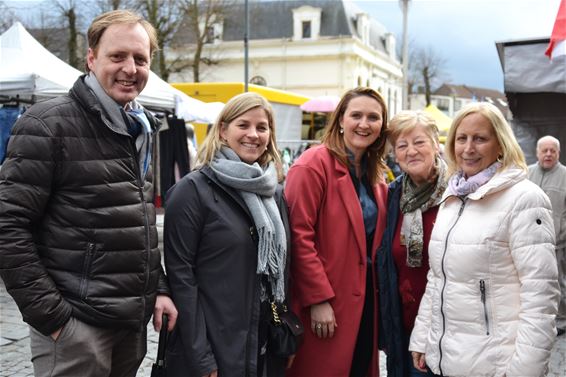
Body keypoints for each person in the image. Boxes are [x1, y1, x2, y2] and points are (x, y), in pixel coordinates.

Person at [0, 10, 177, 377]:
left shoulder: (140, 127)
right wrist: (53, 317)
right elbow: (8, 224)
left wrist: (158, 286)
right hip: (76, 327)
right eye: (118, 56)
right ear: (92, 58)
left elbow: (138, 224)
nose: (131, 68)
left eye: (140, 59)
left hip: (129, 324)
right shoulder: (48, 123)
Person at [409, 102, 560, 376]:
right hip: (448, 360)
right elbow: (438, 279)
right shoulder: (452, 197)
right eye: (461, 138)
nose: (468, 148)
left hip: (495, 364)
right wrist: (423, 338)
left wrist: (525, 371)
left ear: (500, 144)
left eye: (480, 138)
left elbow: (540, 294)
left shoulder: (525, 198)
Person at [163, 92, 292, 377]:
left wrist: (284, 337)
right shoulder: (192, 191)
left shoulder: (274, 194)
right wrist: (202, 357)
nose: (253, 134)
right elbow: (181, 277)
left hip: (262, 346)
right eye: (243, 125)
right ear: (223, 130)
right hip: (214, 347)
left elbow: (282, 273)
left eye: (262, 127)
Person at [285, 87, 389, 377]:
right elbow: (298, 235)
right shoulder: (312, 165)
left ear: (382, 126)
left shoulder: (376, 174)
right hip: (326, 301)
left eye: (373, 117)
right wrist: (318, 298)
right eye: (356, 115)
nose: (364, 124)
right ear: (341, 120)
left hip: (366, 299)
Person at [377, 111, 447, 377]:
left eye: (419, 142)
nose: (411, 151)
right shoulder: (394, 195)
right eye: (402, 146)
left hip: (444, 329)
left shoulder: (457, 194)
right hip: (403, 324)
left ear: (435, 144)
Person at [528, 135, 566, 336]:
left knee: (557, 282)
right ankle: (536, 318)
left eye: (553, 150)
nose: (549, 154)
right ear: (537, 153)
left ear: (558, 153)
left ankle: (560, 321)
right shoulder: (527, 174)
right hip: (528, 242)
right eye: (545, 150)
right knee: (531, 281)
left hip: (557, 243)